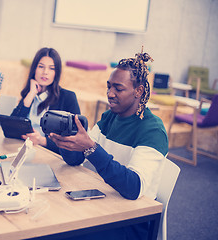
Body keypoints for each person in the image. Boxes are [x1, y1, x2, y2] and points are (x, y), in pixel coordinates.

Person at [50, 51, 168, 239]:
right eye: (109, 87)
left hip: (130, 222)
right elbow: (77, 160)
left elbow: (133, 187)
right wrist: (66, 143)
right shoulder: (110, 117)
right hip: (101, 205)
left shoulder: (153, 131)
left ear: (139, 91)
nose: (109, 94)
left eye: (118, 89)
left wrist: (91, 148)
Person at [11, 47, 80, 154]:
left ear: (56, 73)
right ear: (34, 69)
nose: (45, 72)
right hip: (23, 151)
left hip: (50, 156)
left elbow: (74, 144)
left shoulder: (68, 98)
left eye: (51, 68)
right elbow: (12, 127)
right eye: (41, 67)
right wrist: (31, 95)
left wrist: (42, 141)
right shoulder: (30, 94)